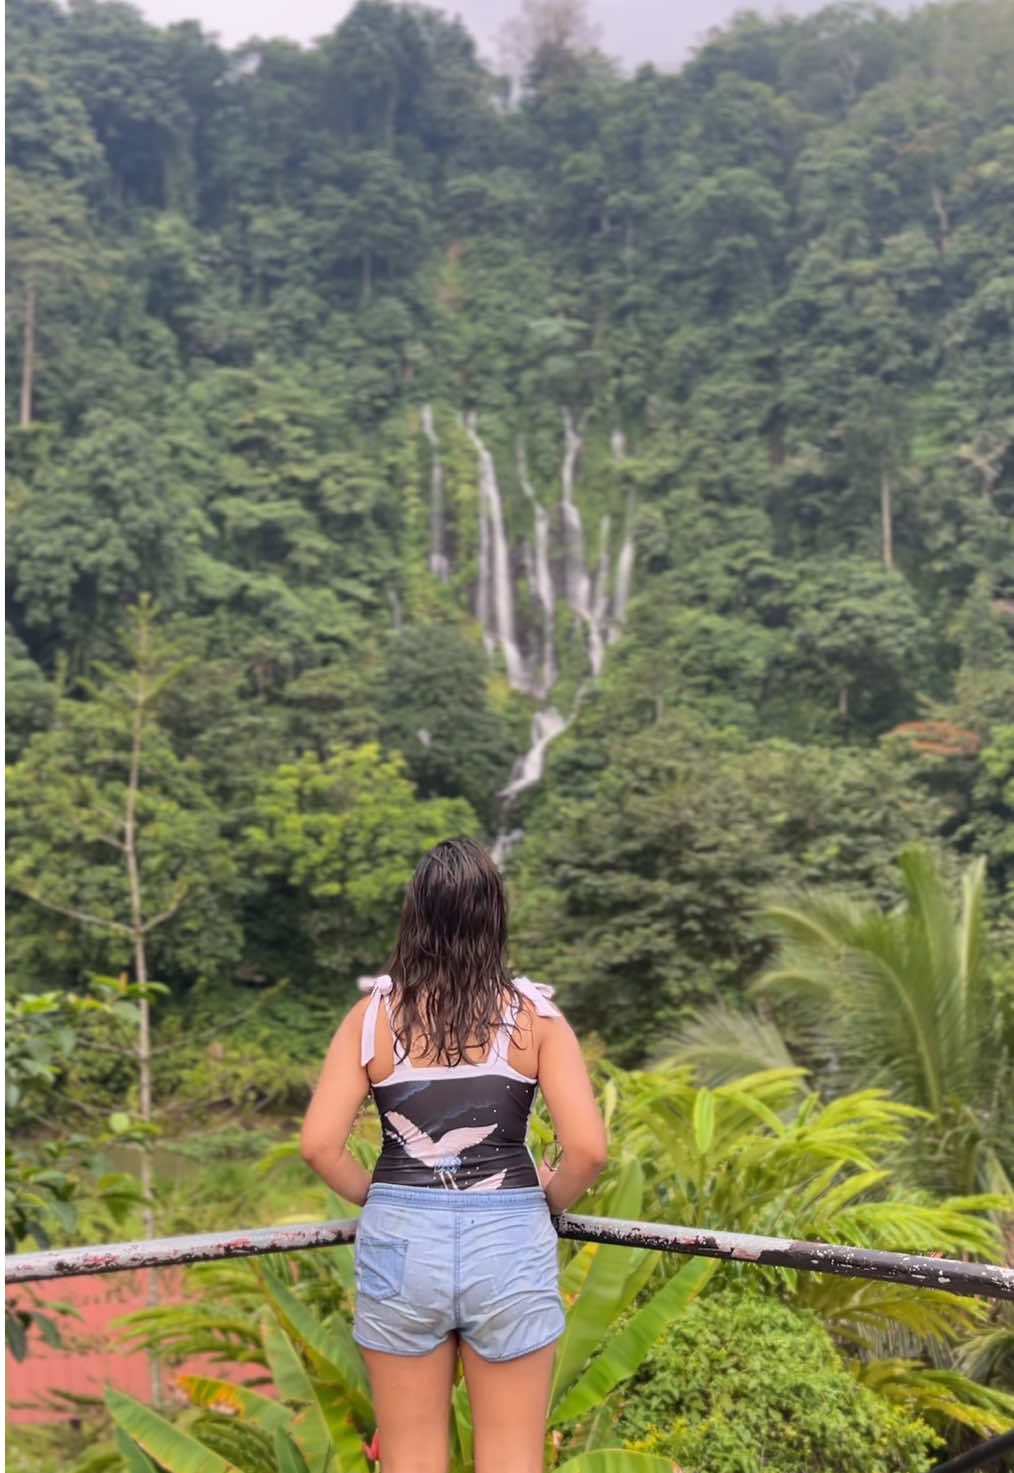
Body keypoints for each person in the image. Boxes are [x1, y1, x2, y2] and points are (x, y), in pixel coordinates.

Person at [300, 836, 607, 1473]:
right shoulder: (535, 1018)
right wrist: (545, 1200)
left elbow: (319, 1146)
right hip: (510, 1241)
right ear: (495, 918)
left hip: (400, 1244)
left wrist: (378, 1193)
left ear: (414, 917)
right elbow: (588, 1151)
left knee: (409, 1458)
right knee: (513, 1458)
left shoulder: (372, 1018)